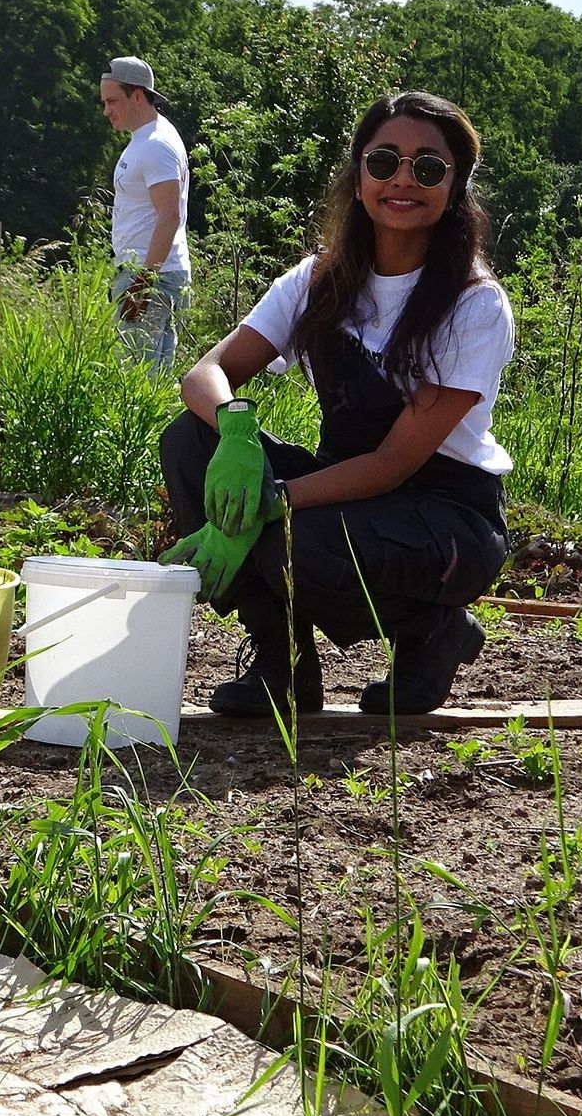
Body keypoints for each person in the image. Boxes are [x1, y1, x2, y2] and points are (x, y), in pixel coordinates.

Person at [161, 91, 514, 718]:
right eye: (384, 161)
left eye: (428, 167)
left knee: (294, 540)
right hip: (349, 488)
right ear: (358, 176)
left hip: (445, 514)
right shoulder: (317, 279)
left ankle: (433, 631)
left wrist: (272, 502)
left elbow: (394, 463)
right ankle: (282, 663)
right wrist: (236, 430)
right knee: (191, 441)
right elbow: (206, 374)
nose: (403, 179)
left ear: (455, 186)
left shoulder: (473, 303)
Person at [100, 56, 191, 369]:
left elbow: (169, 216)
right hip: (149, 273)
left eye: (112, 101)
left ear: (137, 95)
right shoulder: (147, 139)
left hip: (152, 276)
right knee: (153, 377)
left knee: (137, 376)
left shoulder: (156, 145)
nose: (106, 110)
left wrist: (142, 284)